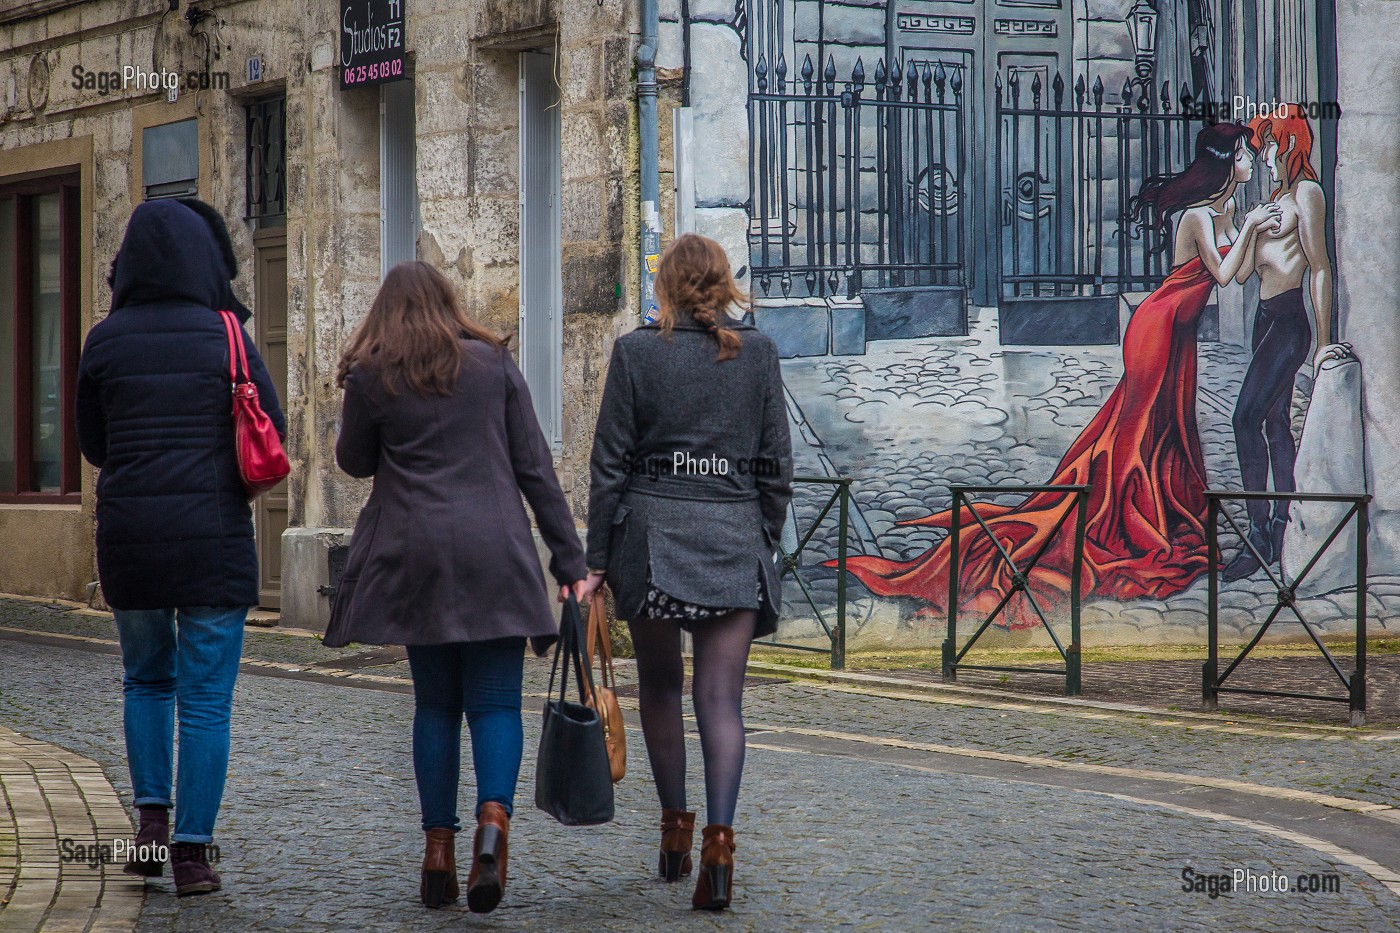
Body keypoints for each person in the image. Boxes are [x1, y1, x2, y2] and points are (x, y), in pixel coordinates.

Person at [838, 123, 1282, 629]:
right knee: (1134, 430)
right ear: (1225, 162)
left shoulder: (1226, 215)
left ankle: (1160, 509)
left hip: (1179, 336)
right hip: (1156, 329)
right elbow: (1222, 277)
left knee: (1166, 429)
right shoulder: (1198, 217)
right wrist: (1251, 231)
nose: (1251, 159)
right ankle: (1123, 513)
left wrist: (1257, 234)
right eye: (1245, 153)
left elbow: (1240, 274)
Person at [323, 260, 588, 914]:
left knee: (435, 706)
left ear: (385, 312)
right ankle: (492, 826)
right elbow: (534, 468)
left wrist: (359, 391)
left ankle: (438, 851)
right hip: (495, 551)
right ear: (450, 303)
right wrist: (571, 562)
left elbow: (354, 460)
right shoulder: (492, 363)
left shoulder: (373, 373)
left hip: (415, 558)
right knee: (496, 704)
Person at [76, 199, 286, 895]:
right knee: (204, 701)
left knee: (145, 679)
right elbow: (271, 429)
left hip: (132, 540)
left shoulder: (104, 342)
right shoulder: (226, 334)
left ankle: (149, 829)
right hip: (214, 544)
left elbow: (93, 446)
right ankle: (193, 853)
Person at [582, 233, 794, 911]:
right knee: (721, 701)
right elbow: (777, 464)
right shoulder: (757, 351)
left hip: (649, 537)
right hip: (733, 533)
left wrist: (596, 558)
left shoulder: (637, 351)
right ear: (726, 284)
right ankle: (719, 847)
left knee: (661, 689)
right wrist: (762, 530)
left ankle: (675, 833)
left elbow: (610, 464)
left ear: (667, 287)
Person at [1223, 104, 1337, 581]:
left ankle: (1259, 535)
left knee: (1243, 418)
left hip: (1289, 323)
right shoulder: (1274, 199)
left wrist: (1323, 343)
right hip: (1262, 318)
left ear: (1288, 145)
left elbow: (1319, 266)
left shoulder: (1307, 193)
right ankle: (1280, 525)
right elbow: (1243, 275)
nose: (1262, 154)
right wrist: (1249, 226)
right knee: (1272, 427)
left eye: (1268, 145)